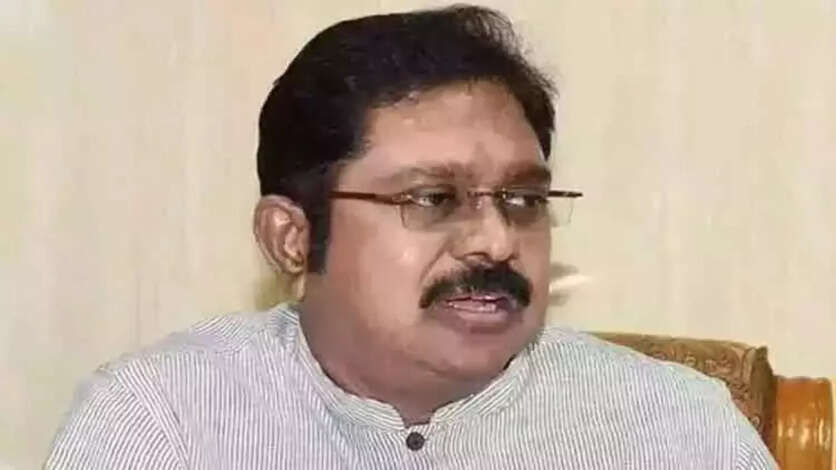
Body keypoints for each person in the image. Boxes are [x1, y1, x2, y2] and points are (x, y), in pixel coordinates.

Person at [46, 5, 776, 469]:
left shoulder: (675, 429)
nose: (495, 240)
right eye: (433, 199)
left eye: (523, 199)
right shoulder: (163, 422)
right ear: (291, 237)